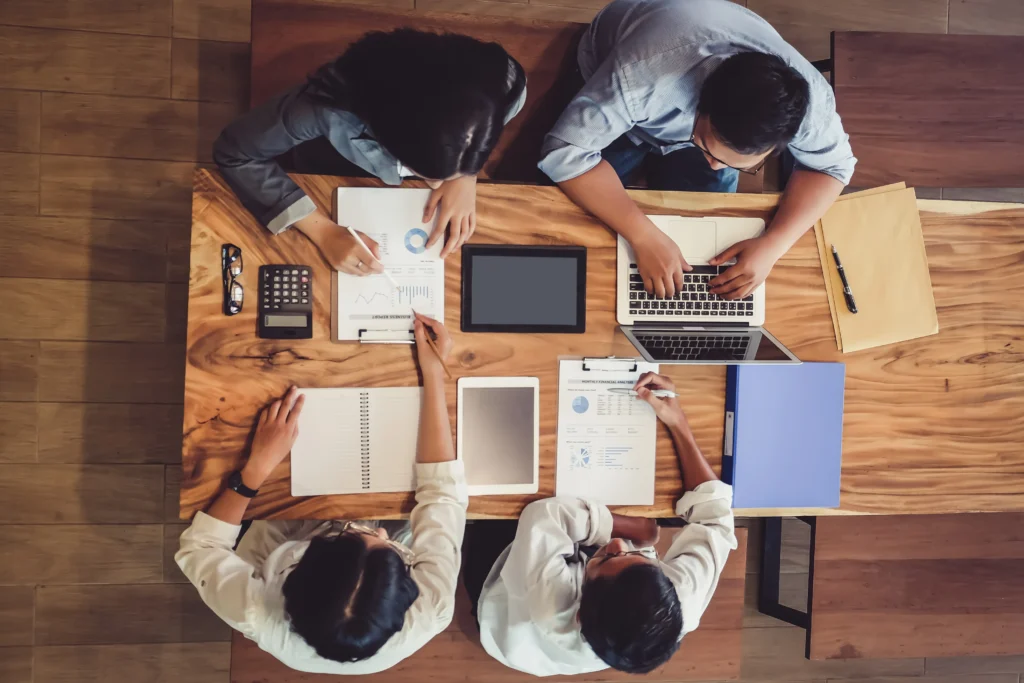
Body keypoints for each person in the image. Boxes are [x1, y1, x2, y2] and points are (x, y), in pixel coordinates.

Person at [176, 313, 466, 674]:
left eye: (351, 534)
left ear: (298, 572)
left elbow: (199, 547)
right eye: (385, 547)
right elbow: (442, 494)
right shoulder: (432, 609)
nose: (378, 531)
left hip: (288, 528)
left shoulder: (255, 611)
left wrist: (256, 469)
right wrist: (434, 372)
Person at [539, 0, 856, 302]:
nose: (715, 166)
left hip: (684, 71)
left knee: (708, 233)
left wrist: (775, 244)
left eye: (740, 165)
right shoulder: (641, 77)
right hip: (612, 64)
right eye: (708, 149)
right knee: (561, 216)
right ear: (700, 104)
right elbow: (562, 152)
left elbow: (834, 169)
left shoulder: (810, 107)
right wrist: (642, 234)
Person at [466, 371, 736, 676]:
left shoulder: (552, 606)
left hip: (504, 614)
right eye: (640, 557)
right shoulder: (679, 601)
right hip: (581, 601)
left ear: (579, 613)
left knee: (501, 498)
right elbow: (715, 517)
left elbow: (542, 516)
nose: (618, 544)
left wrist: (635, 530)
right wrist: (678, 423)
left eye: (607, 558)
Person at [214, 29, 527, 274]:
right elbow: (235, 153)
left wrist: (465, 175)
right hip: (329, 163)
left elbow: (510, 103)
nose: (435, 184)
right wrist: (323, 232)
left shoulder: (503, 80)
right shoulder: (324, 109)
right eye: (424, 172)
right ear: (388, 134)